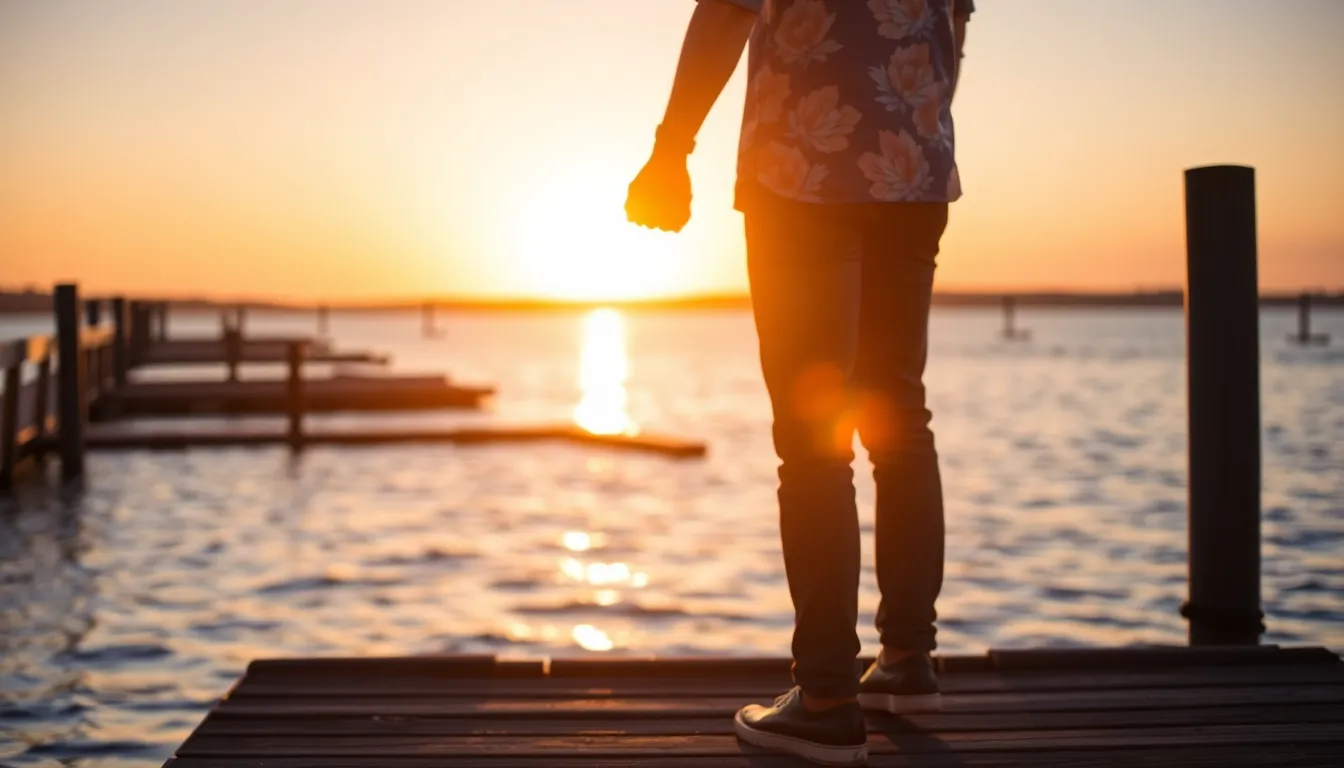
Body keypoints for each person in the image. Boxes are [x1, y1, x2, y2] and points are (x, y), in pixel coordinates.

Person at [626, 0, 973, 764]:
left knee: (814, 439)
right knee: (898, 414)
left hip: (804, 166)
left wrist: (670, 148)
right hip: (912, 160)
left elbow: (725, 10)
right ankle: (909, 661)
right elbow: (958, 21)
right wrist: (916, 115)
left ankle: (824, 698)